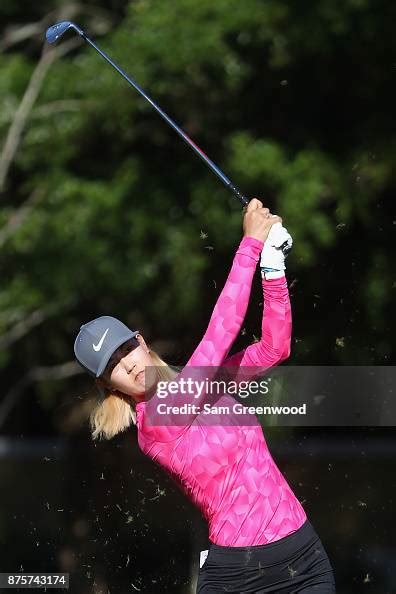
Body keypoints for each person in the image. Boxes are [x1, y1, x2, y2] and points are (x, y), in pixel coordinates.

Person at [73, 198, 336, 593]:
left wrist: (273, 267)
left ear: (141, 342)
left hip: (303, 554)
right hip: (241, 577)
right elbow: (218, 333)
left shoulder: (205, 384)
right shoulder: (157, 422)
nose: (127, 364)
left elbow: (272, 349)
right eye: (112, 366)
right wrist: (250, 246)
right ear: (109, 386)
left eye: (126, 349)